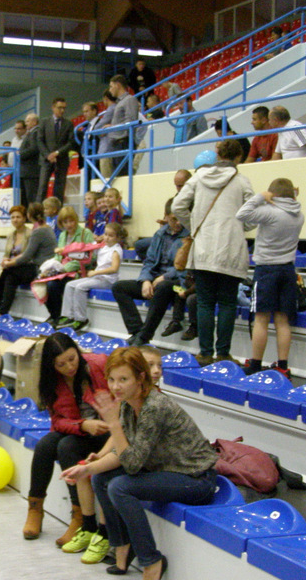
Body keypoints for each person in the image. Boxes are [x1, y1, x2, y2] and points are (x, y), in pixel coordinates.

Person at [61, 347, 219, 577]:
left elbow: (132, 464)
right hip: (167, 471)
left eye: (123, 379)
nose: (115, 387)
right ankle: (122, 546)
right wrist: (86, 469)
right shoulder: (128, 403)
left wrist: (113, 424)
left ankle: (151, 560)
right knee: (101, 479)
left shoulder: (155, 406)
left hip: (196, 479)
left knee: (120, 486)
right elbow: (122, 454)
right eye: (112, 379)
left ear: (140, 378)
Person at [22, 333, 110, 556]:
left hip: (109, 432)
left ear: (78, 352)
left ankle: (79, 517)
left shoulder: (98, 364)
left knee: (67, 447)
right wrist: (83, 425)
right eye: (61, 364)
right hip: (83, 429)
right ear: (51, 366)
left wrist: (96, 424)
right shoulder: (50, 381)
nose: (69, 367)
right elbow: (57, 421)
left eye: (72, 359)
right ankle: (35, 509)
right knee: (45, 445)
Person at [172, 139, 255, 366]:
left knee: (205, 303)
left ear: (218, 155)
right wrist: (242, 227)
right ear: (239, 157)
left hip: (203, 249)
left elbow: (177, 206)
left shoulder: (198, 177)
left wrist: (194, 226)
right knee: (227, 303)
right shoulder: (241, 181)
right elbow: (253, 212)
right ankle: (223, 353)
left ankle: (205, 353)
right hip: (231, 249)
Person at [236, 178, 304, 379]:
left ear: (272, 195)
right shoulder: (299, 215)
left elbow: (241, 214)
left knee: (261, 319)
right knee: (282, 320)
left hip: (266, 269)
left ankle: (256, 363)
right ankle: (283, 366)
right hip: (287, 270)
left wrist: (260, 197)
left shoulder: (270, 212)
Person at [112, 199, 189, 347]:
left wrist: (164, 277)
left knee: (163, 286)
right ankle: (137, 331)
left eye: (181, 218)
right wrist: (146, 280)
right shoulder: (160, 234)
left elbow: (185, 266)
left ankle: (144, 336)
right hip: (156, 279)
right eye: (174, 219)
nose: (178, 222)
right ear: (166, 217)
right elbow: (149, 261)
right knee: (119, 287)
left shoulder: (189, 236)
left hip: (178, 285)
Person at [0, 203, 56, 315]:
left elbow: (27, 256)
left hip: (40, 268)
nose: (15, 219)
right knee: (10, 275)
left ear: (28, 216)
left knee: (10, 273)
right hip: (41, 265)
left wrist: (9, 264)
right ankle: (1, 307)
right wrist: (9, 262)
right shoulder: (46, 228)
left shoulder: (37, 232)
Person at [57, 223, 123, 332]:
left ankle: (81, 319)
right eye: (106, 234)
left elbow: (114, 268)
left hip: (108, 280)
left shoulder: (116, 250)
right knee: (69, 285)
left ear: (118, 238)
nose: (107, 237)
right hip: (98, 277)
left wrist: (95, 272)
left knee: (80, 287)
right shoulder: (103, 246)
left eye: (111, 236)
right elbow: (87, 250)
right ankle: (68, 316)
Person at [40, 206, 97, 326]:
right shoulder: (62, 235)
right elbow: (59, 255)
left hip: (78, 271)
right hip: (62, 270)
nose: (69, 224)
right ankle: (54, 314)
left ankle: (59, 316)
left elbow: (90, 256)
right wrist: (52, 267)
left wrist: (65, 268)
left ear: (76, 220)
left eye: (71, 221)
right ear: (61, 223)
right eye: (65, 222)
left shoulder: (85, 233)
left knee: (52, 285)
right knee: (40, 281)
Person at [134, 170, 191, 260]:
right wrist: (166, 222)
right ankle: (154, 265)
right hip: (169, 233)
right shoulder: (176, 198)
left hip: (184, 235)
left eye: (181, 186)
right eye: (176, 186)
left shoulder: (195, 201)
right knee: (140, 245)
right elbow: (168, 217)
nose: (178, 189)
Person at [37, 97, 75, 203]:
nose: (62, 110)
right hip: (46, 160)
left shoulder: (68, 124)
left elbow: (70, 143)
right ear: (53, 107)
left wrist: (57, 153)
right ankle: (38, 211)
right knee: (42, 187)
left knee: (59, 189)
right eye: (59, 108)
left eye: (64, 108)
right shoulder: (44, 122)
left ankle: (58, 211)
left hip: (62, 160)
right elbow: (40, 140)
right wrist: (48, 155)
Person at [0, 205, 31, 291]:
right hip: (8, 265)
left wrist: (10, 262)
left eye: (18, 217)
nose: (15, 220)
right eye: (13, 217)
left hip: (21, 266)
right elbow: (6, 253)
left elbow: (27, 255)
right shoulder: (10, 235)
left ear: (24, 219)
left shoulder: (30, 234)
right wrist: (4, 260)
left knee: (3, 277)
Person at [106, 75, 140, 173]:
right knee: (118, 175)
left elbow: (131, 122)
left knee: (123, 174)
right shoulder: (120, 102)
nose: (110, 90)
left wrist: (112, 127)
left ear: (118, 85)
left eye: (111, 86)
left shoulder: (129, 100)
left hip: (123, 142)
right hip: (117, 143)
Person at [19, 113, 41, 206]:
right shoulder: (30, 133)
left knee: (31, 198)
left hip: (31, 172)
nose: (26, 123)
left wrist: (20, 154)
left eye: (28, 121)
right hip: (27, 172)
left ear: (34, 122)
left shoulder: (35, 132)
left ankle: (32, 214)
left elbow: (34, 148)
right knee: (25, 198)